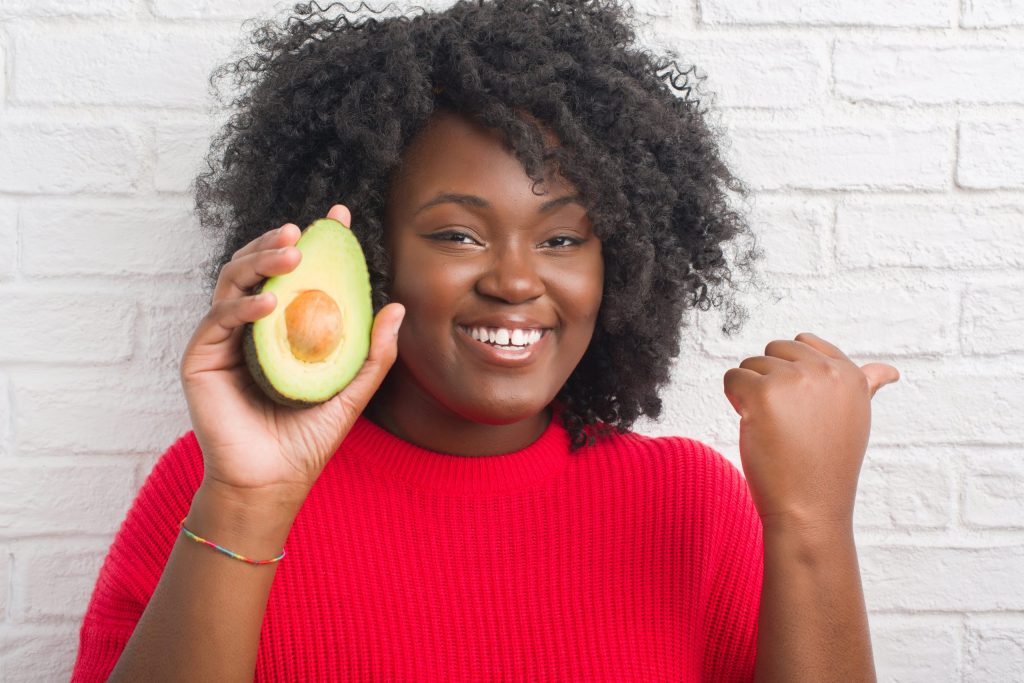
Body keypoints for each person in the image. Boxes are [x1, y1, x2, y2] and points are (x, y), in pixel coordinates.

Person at [72, 0, 899, 680]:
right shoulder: (214, 486)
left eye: (564, 239)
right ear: (372, 254)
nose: (514, 279)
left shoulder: (693, 504)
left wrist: (812, 520)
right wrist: (248, 505)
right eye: (459, 235)